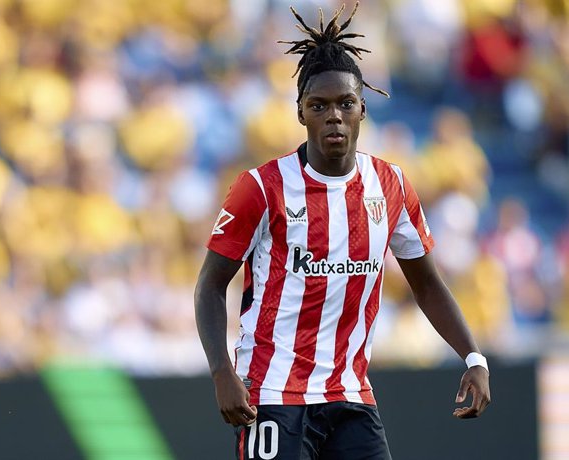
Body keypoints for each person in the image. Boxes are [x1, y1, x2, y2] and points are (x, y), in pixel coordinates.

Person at [194, 3, 491, 459]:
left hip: (350, 394)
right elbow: (210, 286)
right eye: (319, 105)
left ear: (362, 109)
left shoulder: (390, 186)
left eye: (345, 103)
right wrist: (221, 372)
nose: (334, 116)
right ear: (301, 114)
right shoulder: (261, 187)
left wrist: (473, 356)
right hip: (274, 394)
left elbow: (426, 283)